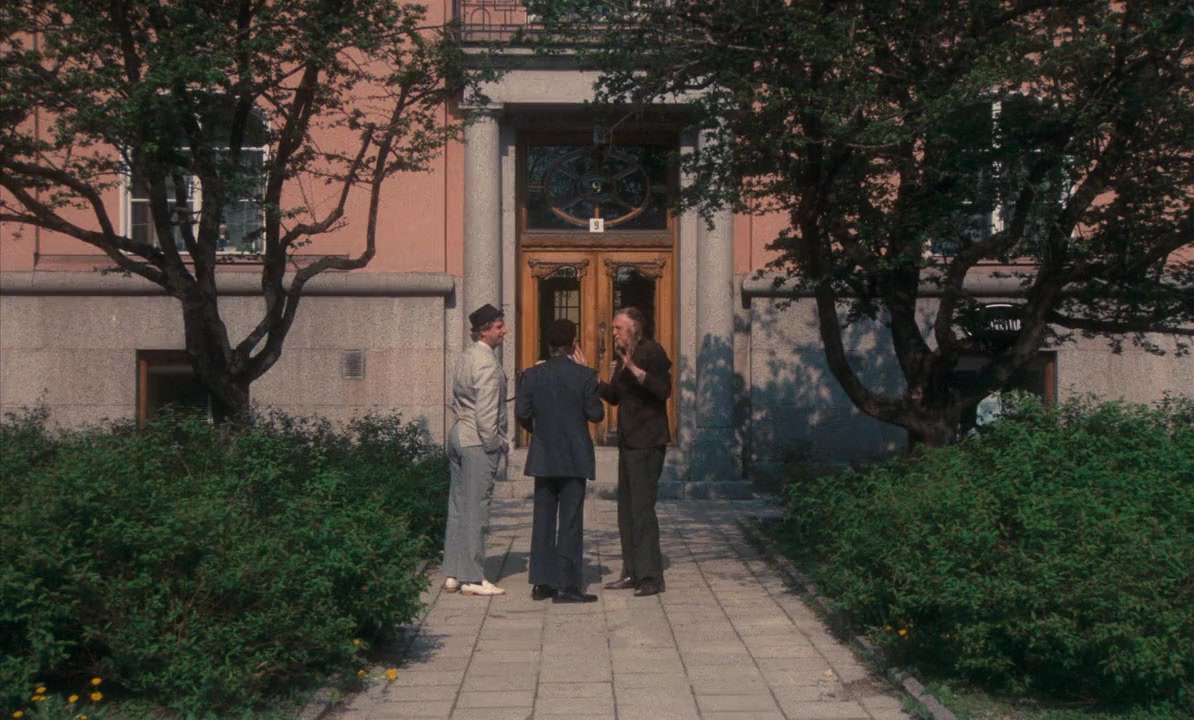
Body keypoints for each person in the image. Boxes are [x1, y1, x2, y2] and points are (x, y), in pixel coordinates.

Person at [516, 318, 605, 604]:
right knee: (570, 520)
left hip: (544, 455)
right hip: (574, 456)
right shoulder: (585, 375)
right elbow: (596, 414)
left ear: (548, 344)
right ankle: (567, 584)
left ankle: (542, 582)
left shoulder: (532, 375)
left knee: (542, 518)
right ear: (573, 344)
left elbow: (522, 413)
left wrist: (539, 432)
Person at [597, 307, 671, 597]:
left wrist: (636, 370)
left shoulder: (652, 351)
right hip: (628, 441)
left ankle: (650, 577)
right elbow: (615, 396)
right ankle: (631, 571)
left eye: (619, 327)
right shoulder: (623, 357)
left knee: (642, 509)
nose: (614, 332)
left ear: (635, 327)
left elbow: (663, 390)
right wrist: (593, 380)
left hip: (648, 442)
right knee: (626, 510)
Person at [442, 303, 509, 597]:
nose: (504, 330)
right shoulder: (486, 363)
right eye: (499, 326)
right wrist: (496, 445)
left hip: (459, 435)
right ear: (484, 331)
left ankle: (453, 573)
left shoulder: (466, 356)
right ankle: (471, 577)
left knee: (458, 506)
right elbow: (486, 414)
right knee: (476, 509)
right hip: (477, 442)